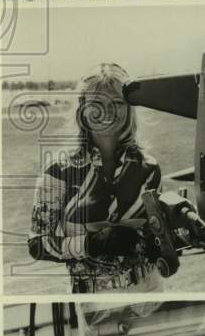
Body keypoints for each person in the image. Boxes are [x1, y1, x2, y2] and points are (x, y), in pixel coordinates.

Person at [28, 63, 162, 293]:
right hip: (93, 301)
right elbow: (37, 244)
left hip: (150, 291)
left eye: (118, 103)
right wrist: (92, 243)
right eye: (96, 103)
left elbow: (157, 235)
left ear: (130, 109)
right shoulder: (58, 170)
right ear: (81, 109)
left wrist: (157, 243)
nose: (107, 111)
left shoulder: (149, 168)